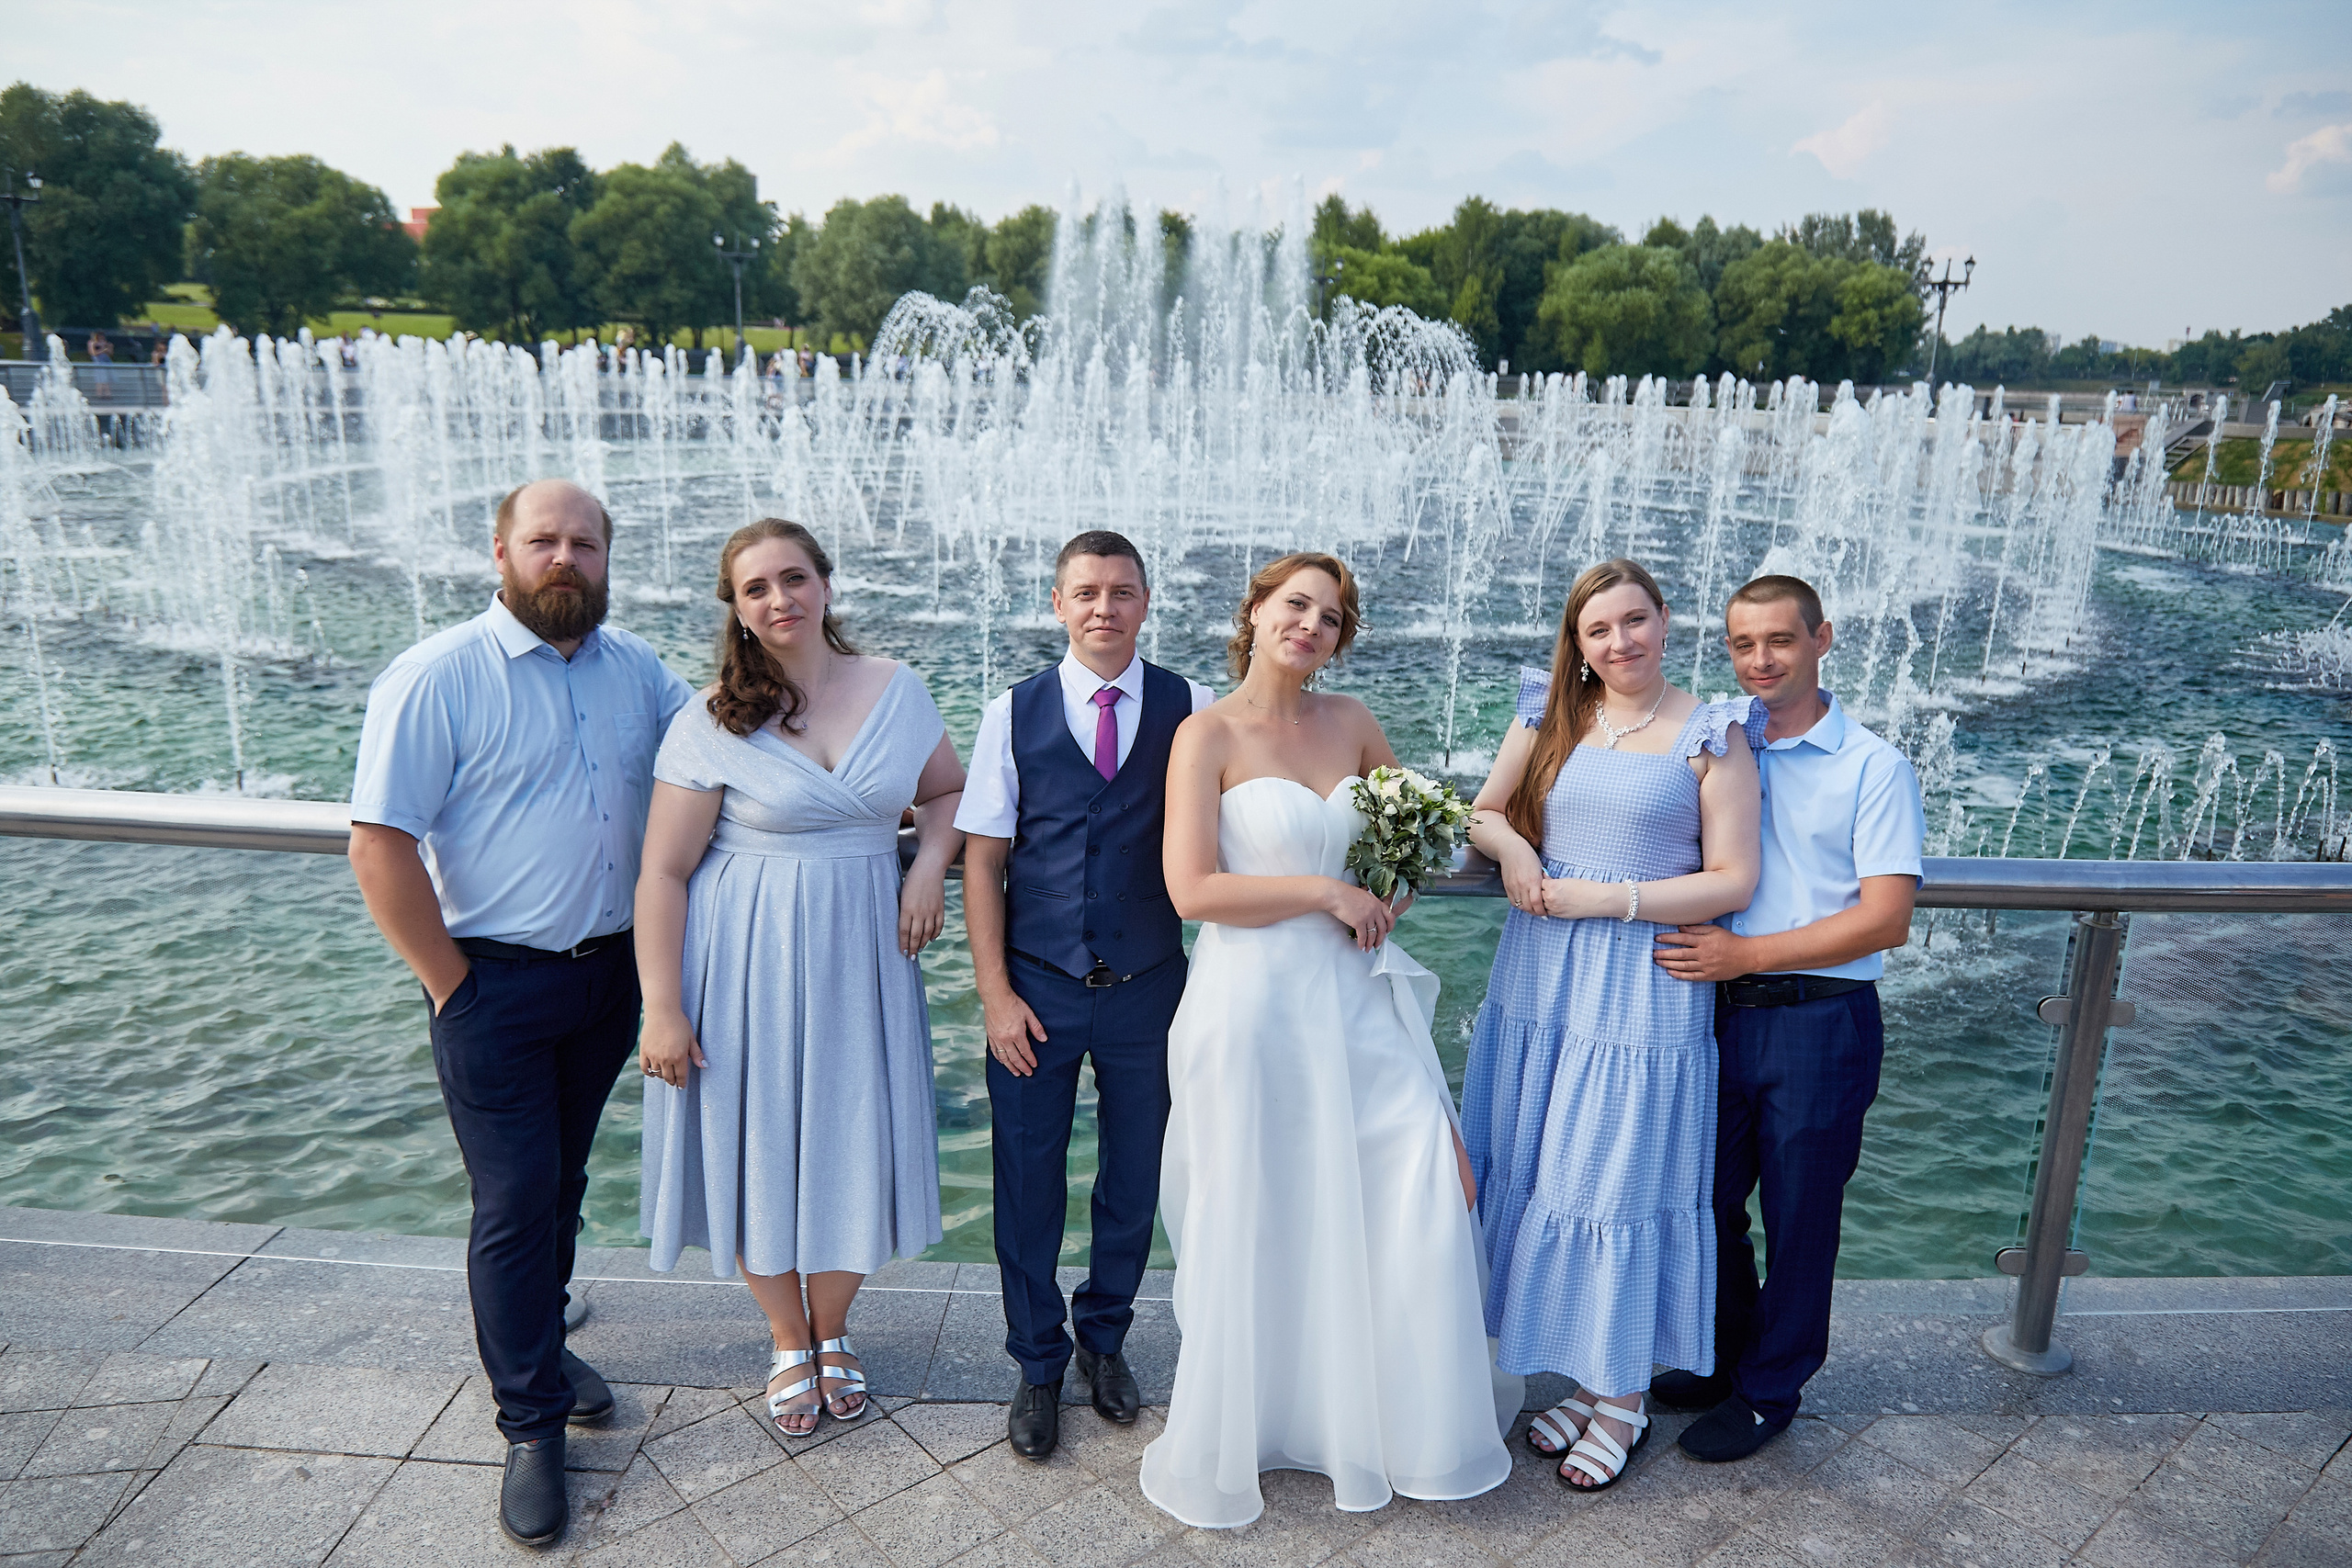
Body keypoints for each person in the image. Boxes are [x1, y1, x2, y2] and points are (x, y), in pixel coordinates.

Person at [349, 479, 691, 1547]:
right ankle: (531, 1424)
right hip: (489, 980)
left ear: (606, 560)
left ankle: (540, 1337)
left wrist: (882, 791)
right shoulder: (436, 676)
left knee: (564, 1184)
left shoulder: (638, 670)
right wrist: (451, 984)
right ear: (498, 551)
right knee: (513, 1197)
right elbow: (379, 844)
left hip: (607, 978)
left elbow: (737, 746)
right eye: (542, 540)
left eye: (584, 544)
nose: (564, 559)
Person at [1140, 553, 1513, 1529]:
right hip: (1250, 1003)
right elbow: (1192, 892)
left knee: (1414, 1179)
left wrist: (1388, 888)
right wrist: (1324, 890)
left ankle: (1395, 1422)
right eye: (1294, 606)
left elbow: (1413, 840)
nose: (1310, 625)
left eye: (1331, 616)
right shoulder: (1203, 733)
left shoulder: (1349, 723)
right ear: (1255, 611)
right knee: (1259, 1203)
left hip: (1354, 996)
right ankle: (1263, 1424)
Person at [635, 519, 966, 1438]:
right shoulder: (709, 719)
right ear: (736, 611)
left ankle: (835, 1328)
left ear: (825, 585)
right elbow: (662, 873)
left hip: (864, 953)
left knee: (856, 1130)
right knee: (758, 1141)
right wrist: (662, 1007)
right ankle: (789, 1338)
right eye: (756, 589)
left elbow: (946, 792)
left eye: (793, 578)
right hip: (743, 963)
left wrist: (926, 863)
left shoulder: (896, 691)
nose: (779, 599)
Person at [1461, 557, 1760, 1492]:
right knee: (1543, 1169)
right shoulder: (1548, 713)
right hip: (1541, 981)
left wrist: (1612, 899)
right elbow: (1482, 811)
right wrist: (1511, 846)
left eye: (1635, 621)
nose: (1619, 641)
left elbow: (1733, 878)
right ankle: (1589, 1383)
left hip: (1640, 985)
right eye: (1599, 629)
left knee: (1617, 1180)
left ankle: (1625, 1397)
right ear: (1577, 643)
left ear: (1665, 622)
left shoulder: (1712, 733)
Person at [1649, 574, 1923, 1460]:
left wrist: (1745, 956)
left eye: (1780, 640)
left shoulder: (1873, 766)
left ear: (1822, 639)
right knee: (1705, 1197)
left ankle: (1773, 1388)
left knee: (1800, 1214)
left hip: (1820, 1016)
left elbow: (1886, 918)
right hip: (1717, 1013)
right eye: (1742, 644)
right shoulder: (1718, 736)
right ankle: (1728, 1356)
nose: (1761, 659)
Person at [956, 530, 1216, 1461]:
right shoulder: (1010, 713)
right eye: (1086, 592)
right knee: (1026, 1184)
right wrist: (993, 994)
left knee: (1133, 1179)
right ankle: (1035, 1364)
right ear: (1058, 604)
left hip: (1153, 989)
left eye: (1121, 591)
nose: (1104, 607)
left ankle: (1103, 1341)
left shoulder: (1195, 710)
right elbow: (982, 863)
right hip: (1036, 991)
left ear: (1146, 602)